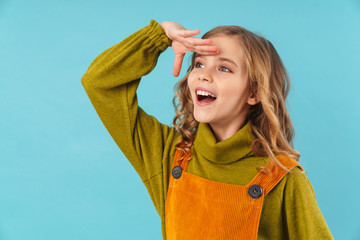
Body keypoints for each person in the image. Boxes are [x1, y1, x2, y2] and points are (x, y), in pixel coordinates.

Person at [81, 19, 334, 239]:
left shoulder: (284, 180)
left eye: (224, 68)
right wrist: (159, 37)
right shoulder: (167, 155)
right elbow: (99, 84)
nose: (204, 75)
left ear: (254, 92)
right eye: (199, 64)